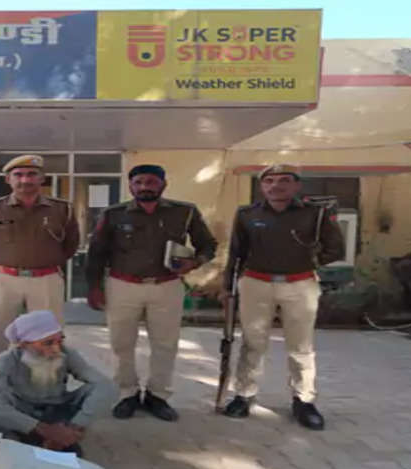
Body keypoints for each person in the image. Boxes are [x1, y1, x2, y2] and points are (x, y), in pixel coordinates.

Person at [85, 164, 217, 422]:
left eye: (151, 182)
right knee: (121, 343)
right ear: (131, 186)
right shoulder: (113, 214)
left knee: (165, 344)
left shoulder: (184, 212)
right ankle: (127, 393)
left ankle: (158, 395)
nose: (145, 187)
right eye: (139, 182)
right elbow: (96, 252)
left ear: (163, 184)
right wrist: (94, 287)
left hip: (167, 286)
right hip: (122, 286)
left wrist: (195, 262)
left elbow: (208, 245)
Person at [220, 164, 345, 431]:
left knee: (301, 346)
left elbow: (336, 248)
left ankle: (304, 400)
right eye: (269, 181)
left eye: (284, 180)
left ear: (297, 185)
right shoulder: (247, 214)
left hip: (299, 284)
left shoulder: (315, 213)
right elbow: (236, 253)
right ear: (262, 186)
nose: (276, 186)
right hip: (256, 283)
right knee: (253, 342)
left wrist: (308, 261)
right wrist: (227, 286)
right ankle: (244, 395)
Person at [0, 155, 80, 365]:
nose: (25, 180)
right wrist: (4, 265)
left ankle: (45, 381)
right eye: (18, 175)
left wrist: (44, 261)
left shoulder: (63, 209)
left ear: (42, 178)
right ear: (8, 179)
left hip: (46, 279)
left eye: (32, 174)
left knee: (48, 335)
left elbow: (70, 244)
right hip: (2, 279)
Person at [0, 310, 117, 457]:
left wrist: (72, 428)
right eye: (48, 343)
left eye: (60, 341)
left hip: (59, 411)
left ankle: (66, 436)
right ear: (24, 344)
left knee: (107, 388)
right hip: (22, 412)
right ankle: (32, 438)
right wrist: (44, 429)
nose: (56, 349)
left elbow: (103, 384)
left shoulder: (67, 354)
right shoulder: (5, 361)